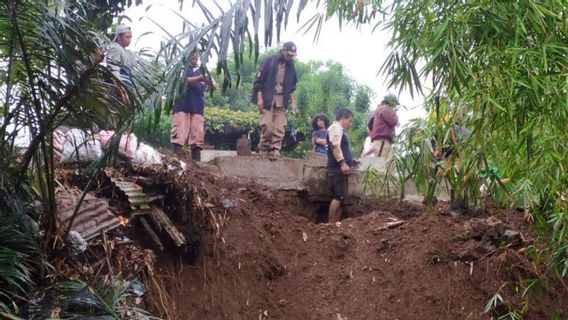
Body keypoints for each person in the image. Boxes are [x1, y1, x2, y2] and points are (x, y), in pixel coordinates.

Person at [251, 41, 298, 157]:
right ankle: (264, 147)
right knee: (267, 126)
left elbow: (292, 87)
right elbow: (258, 83)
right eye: (288, 54)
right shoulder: (269, 61)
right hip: (267, 98)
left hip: (281, 100)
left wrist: (293, 104)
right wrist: (260, 100)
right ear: (283, 51)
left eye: (292, 55)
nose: (290, 57)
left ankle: (275, 149)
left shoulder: (291, 66)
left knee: (280, 127)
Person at [171, 50, 214, 161]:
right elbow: (181, 81)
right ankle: (177, 160)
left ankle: (196, 163)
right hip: (182, 105)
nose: (194, 55)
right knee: (179, 132)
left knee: (197, 133)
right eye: (192, 53)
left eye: (196, 53)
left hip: (197, 106)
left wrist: (209, 82)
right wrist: (200, 78)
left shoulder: (203, 70)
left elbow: (212, 87)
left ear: (199, 56)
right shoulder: (181, 68)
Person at [105, 24, 137, 128]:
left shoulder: (126, 52)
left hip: (126, 88)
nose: (130, 40)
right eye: (127, 37)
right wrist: (122, 91)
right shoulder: (115, 49)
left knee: (121, 119)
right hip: (117, 89)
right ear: (119, 37)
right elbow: (114, 71)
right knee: (113, 117)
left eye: (130, 37)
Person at [327, 108, 355, 224]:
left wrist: (352, 160)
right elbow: (334, 145)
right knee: (338, 196)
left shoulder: (339, 130)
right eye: (349, 120)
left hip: (340, 170)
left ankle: (336, 225)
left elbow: (340, 148)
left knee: (342, 198)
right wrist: (343, 163)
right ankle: (330, 224)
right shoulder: (335, 128)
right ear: (344, 118)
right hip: (337, 169)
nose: (350, 124)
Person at [362, 94, 399, 161]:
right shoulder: (385, 109)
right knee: (384, 167)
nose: (394, 107)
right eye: (394, 105)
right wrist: (394, 113)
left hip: (379, 142)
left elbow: (370, 126)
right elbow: (394, 121)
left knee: (386, 166)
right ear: (390, 103)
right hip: (382, 142)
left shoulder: (378, 110)